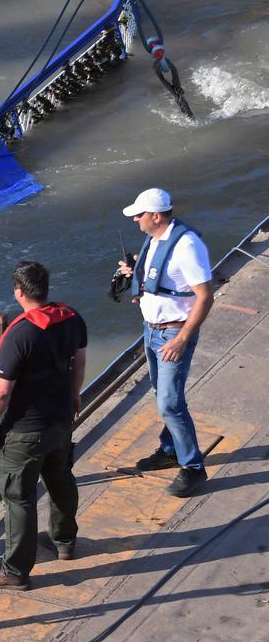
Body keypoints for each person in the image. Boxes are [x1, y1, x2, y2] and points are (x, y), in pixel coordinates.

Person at [0, 261, 86, 590]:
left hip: (26, 429)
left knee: (18, 497)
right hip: (61, 419)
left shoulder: (21, 333)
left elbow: (0, 391)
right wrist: (74, 397)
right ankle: (64, 542)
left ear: (19, 292)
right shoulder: (72, 317)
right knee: (61, 478)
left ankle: (14, 571)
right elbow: (79, 362)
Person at [114, 188, 214, 497]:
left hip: (173, 334)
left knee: (170, 402)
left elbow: (205, 296)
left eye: (139, 215)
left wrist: (183, 338)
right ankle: (170, 448)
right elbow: (161, 278)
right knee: (162, 395)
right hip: (152, 329)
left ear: (156, 216)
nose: (135, 220)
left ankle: (193, 468)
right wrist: (134, 273)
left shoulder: (187, 246)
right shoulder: (155, 238)